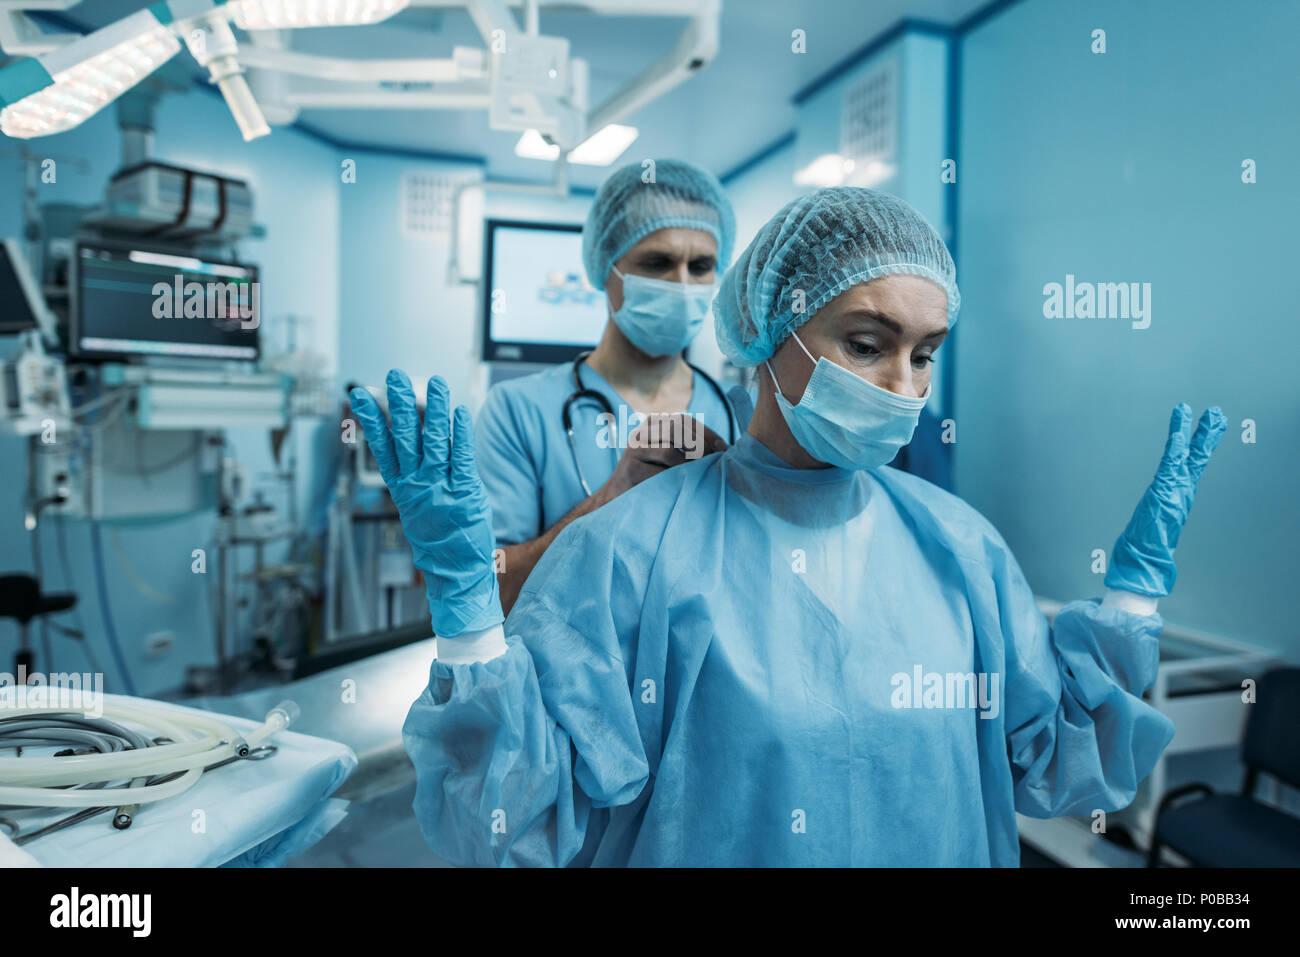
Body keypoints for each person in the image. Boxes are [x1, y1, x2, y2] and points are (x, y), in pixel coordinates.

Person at [348, 187, 1227, 867]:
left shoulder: (961, 549)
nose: (903, 386)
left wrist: (1133, 592)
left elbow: (1058, 762)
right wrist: (467, 618)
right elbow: (512, 820)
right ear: (772, 333)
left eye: (925, 353)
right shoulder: (627, 550)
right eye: (865, 343)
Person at [474, 159, 746, 614]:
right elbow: (489, 590)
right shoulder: (518, 411)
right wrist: (610, 499)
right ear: (604, 267)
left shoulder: (739, 414)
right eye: (657, 263)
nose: (682, 284)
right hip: (562, 683)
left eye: (700, 266)